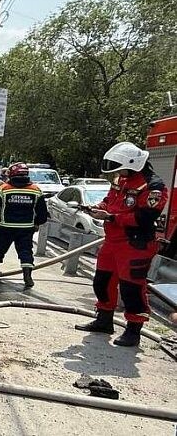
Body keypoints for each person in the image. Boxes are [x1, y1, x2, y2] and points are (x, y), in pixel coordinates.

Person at [75, 142, 168, 347]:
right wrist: (96, 208)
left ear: (133, 164)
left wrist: (111, 217)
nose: (117, 172)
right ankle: (104, 320)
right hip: (112, 241)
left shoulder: (153, 186)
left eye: (120, 167)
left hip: (135, 243)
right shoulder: (121, 180)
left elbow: (145, 217)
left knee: (132, 288)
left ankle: (134, 330)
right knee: (102, 281)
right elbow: (109, 200)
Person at [0, 162, 48, 289]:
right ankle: (27, 276)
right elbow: (42, 212)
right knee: (25, 251)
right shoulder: (35, 190)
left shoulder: (4, 189)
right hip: (26, 228)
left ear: (11, 174)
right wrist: (37, 223)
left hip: (6, 227)